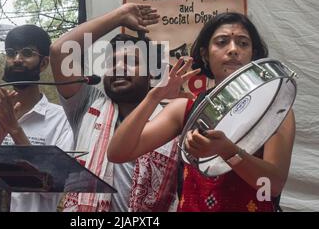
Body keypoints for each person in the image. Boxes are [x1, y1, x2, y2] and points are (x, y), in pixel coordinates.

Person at [107, 12, 296, 212]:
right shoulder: (186, 108)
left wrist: (227, 150)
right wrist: (154, 96)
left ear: (253, 54)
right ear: (205, 54)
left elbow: (272, 185)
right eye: (222, 42)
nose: (233, 50)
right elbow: (118, 152)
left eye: (242, 43)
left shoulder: (274, 106)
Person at [50, 3, 180, 212]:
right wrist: (119, 16)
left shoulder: (170, 119)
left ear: (151, 74)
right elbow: (60, 52)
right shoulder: (88, 105)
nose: (119, 68)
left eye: (131, 61)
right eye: (112, 62)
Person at [0, 24, 74, 212]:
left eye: (27, 53)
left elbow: (54, 188)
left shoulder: (61, 120)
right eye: (11, 53)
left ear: (44, 63)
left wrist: (15, 131)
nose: (17, 59)